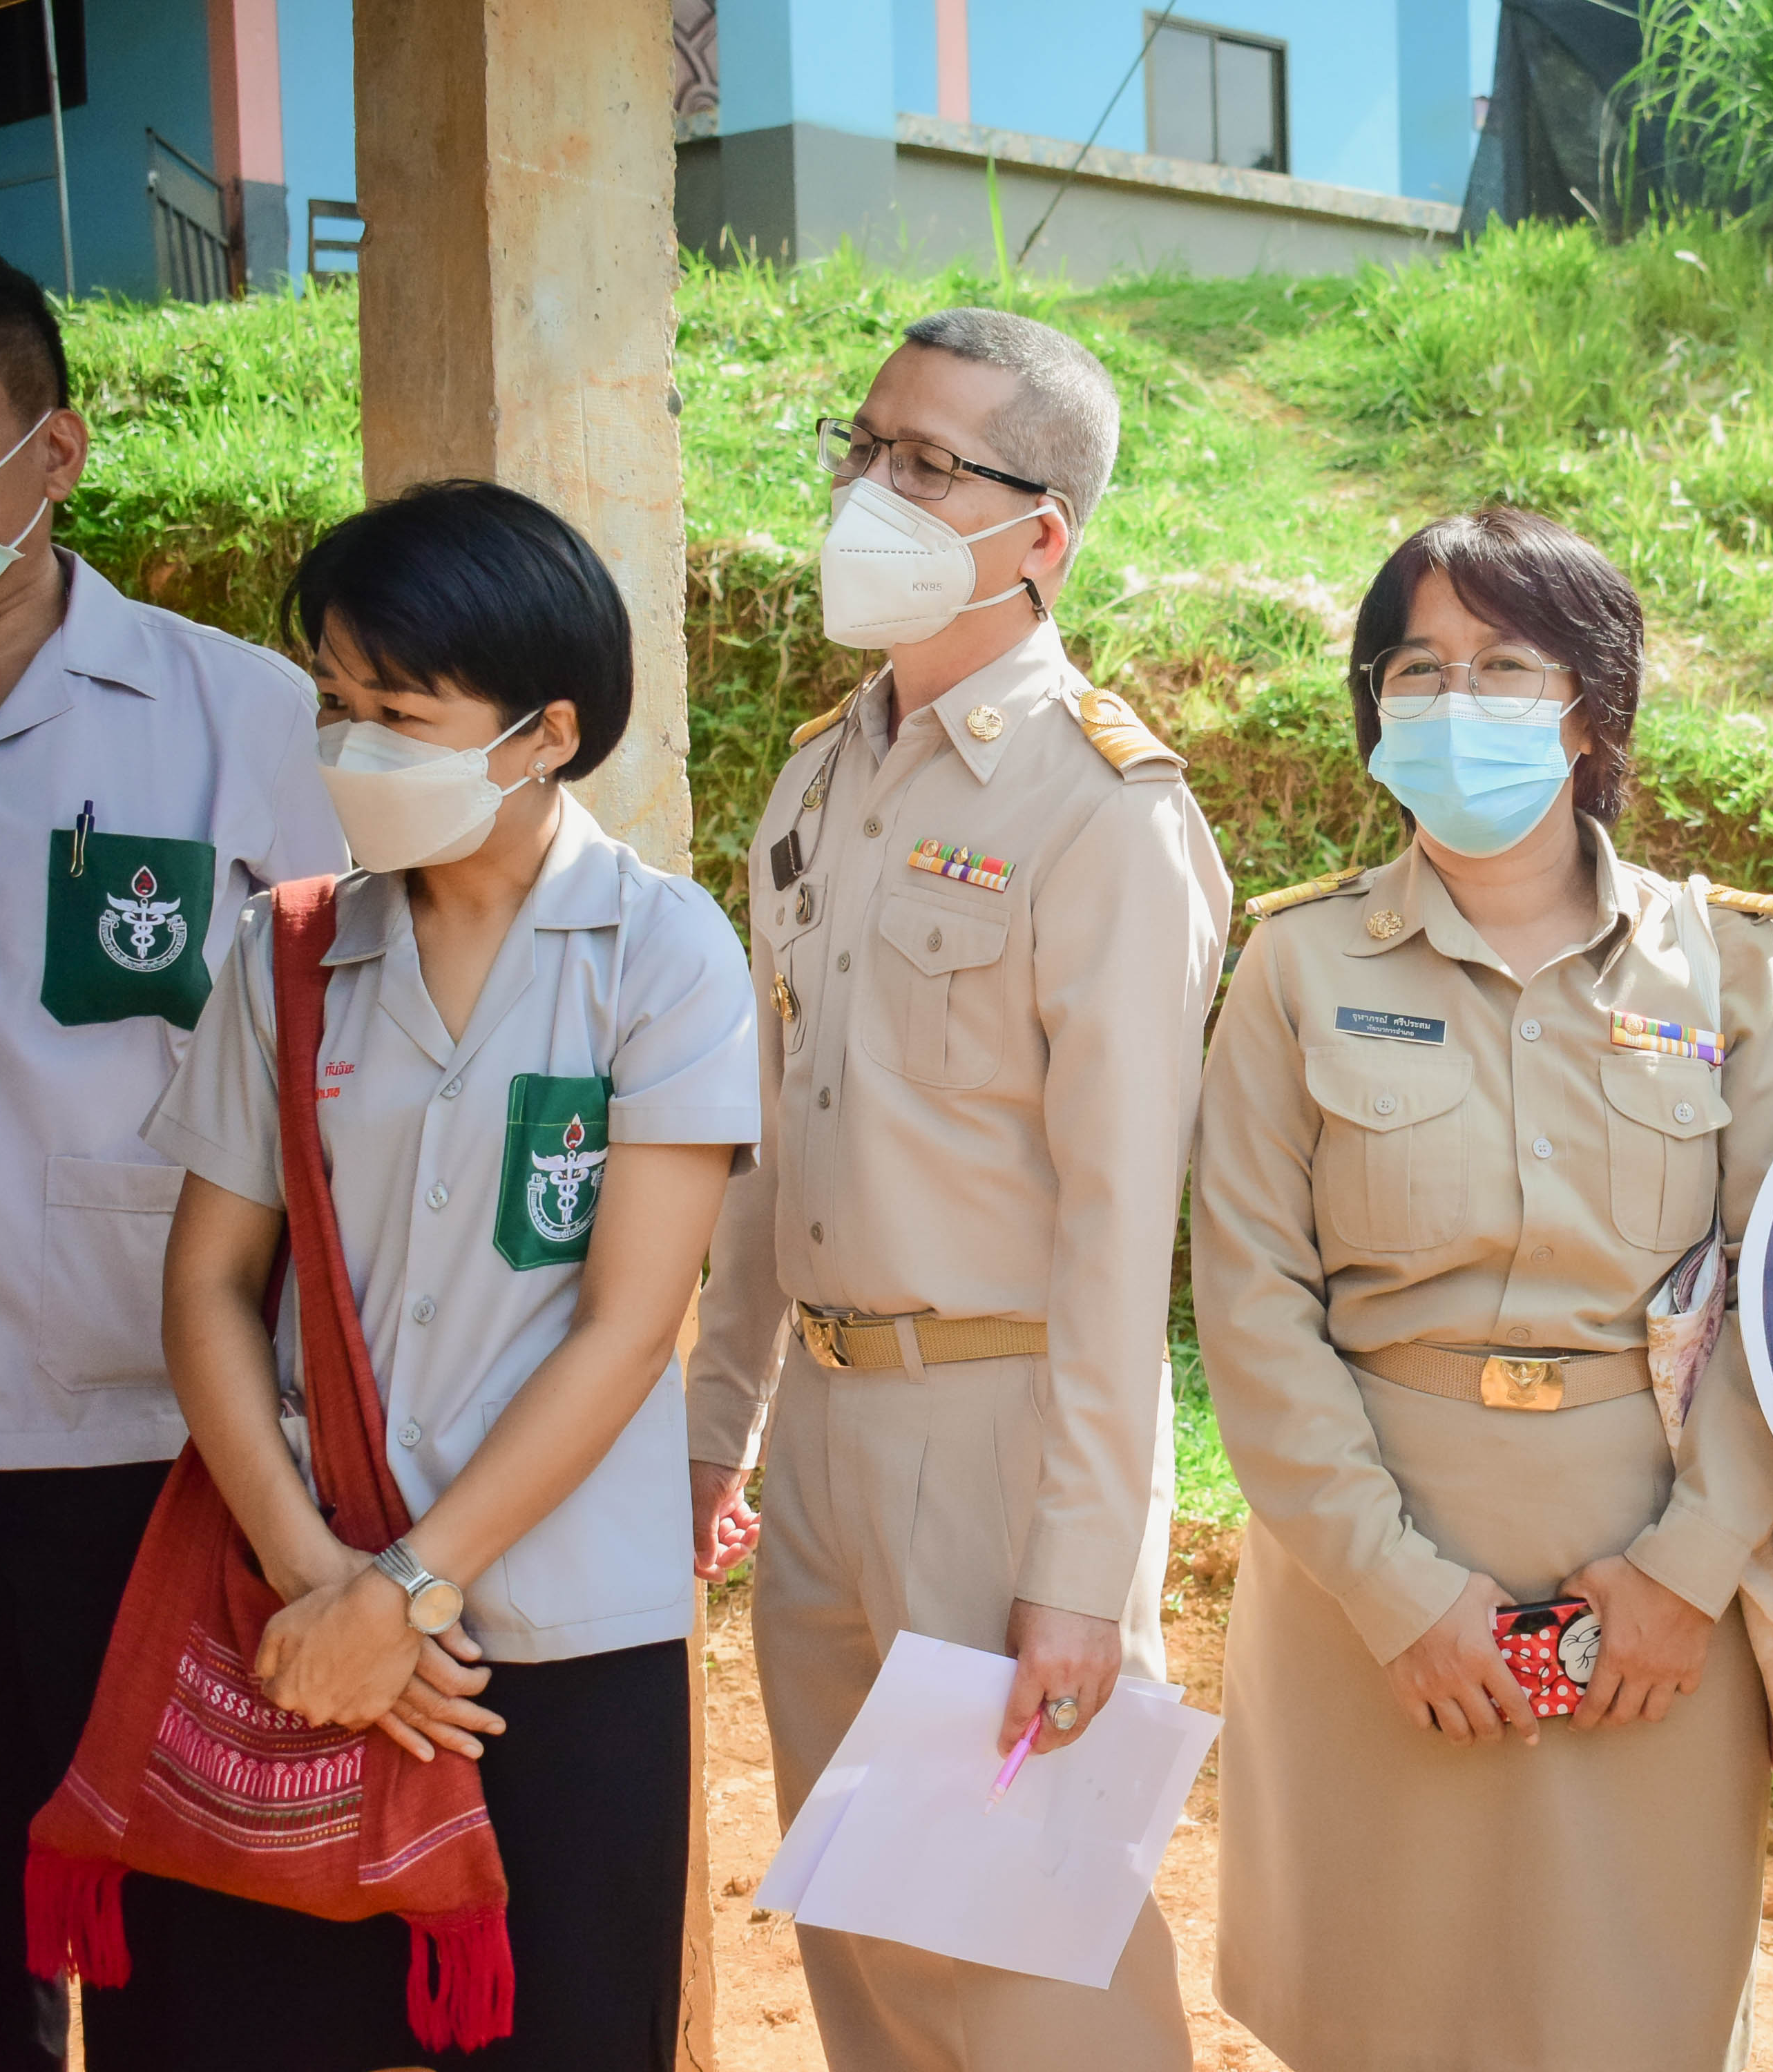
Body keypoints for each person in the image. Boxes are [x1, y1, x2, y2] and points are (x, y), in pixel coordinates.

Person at [113, 481, 758, 2069]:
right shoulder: (286, 952)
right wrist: (319, 1585)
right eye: (335, 702)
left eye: (400, 715)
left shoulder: (663, 954)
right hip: (300, 1616)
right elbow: (207, 1288)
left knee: (563, 2030)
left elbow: (629, 1327)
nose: (352, 748)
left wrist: (408, 1591)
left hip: (559, 1641)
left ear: (546, 734)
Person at [1191, 508, 1773, 2071]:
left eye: (1504, 666)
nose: (1455, 700)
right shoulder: (1298, 969)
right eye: (1419, 668)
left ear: (1590, 711)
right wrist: (1396, 1595)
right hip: (1364, 1583)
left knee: (1634, 2011)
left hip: (1656, 1591)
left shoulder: (1731, 970)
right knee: (1379, 2012)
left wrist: (1685, 1576)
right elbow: (1255, 1310)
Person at [684, 307, 1230, 2071]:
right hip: (827, 1433)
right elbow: (771, 1139)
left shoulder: (1104, 811)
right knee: (869, 1951)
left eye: (925, 464)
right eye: (862, 446)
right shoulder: (818, 779)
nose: (870, 488)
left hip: (1000, 1442)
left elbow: (1119, 1227)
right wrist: (716, 1430)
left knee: (1028, 1973)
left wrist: (1079, 1567)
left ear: (1041, 534)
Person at [0, 233, 346, 2072]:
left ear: (51, 450)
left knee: (192, 1980)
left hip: (160, 1461)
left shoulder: (245, 721)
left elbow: (353, 1072)